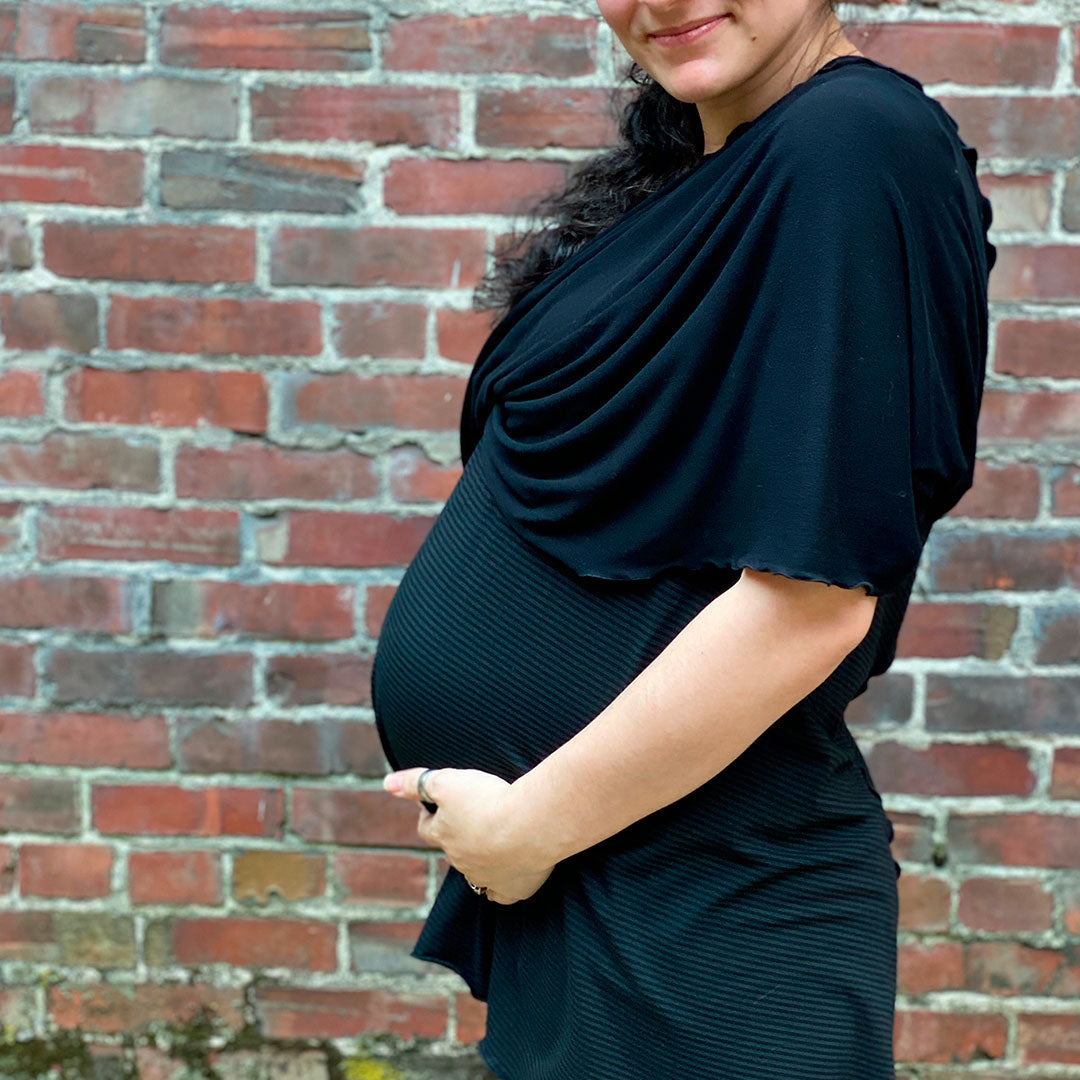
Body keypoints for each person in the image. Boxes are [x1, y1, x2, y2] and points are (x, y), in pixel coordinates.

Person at [371, 0, 996, 1074]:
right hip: (617, 892)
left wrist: (532, 826)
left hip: (705, 920)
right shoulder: (707, 165)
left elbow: (812, 601)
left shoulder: (853, 144)